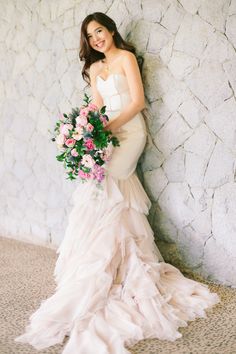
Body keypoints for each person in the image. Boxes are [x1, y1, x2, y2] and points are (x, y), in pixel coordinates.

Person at [15, 12, 220, 354]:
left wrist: (107, 129)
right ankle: (111, 265)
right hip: (107, 134)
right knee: (102, 188)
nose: (96, 38)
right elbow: (97, 106)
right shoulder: (95, 69)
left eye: (100, 31)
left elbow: (136, 102)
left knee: (110, 182)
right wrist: (83, 134)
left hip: (131, 131)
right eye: (90, 35)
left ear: (110, 31)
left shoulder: (125, 58)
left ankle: (121, 263)